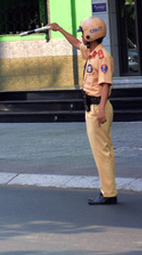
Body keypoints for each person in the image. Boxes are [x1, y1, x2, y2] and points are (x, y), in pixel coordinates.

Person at [49, 18, 117, 205]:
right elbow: (76, 44)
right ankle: (108, 190)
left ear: (91, 34)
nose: (81, 35)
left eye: (83, 32)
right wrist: (59, 29)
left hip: (98, 107)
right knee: (103, 151)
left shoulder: (102, 56)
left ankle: (108, 193)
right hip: (93, 107)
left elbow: (105, 85)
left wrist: (101, 109)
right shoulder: (91, 52)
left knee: (101, 152)